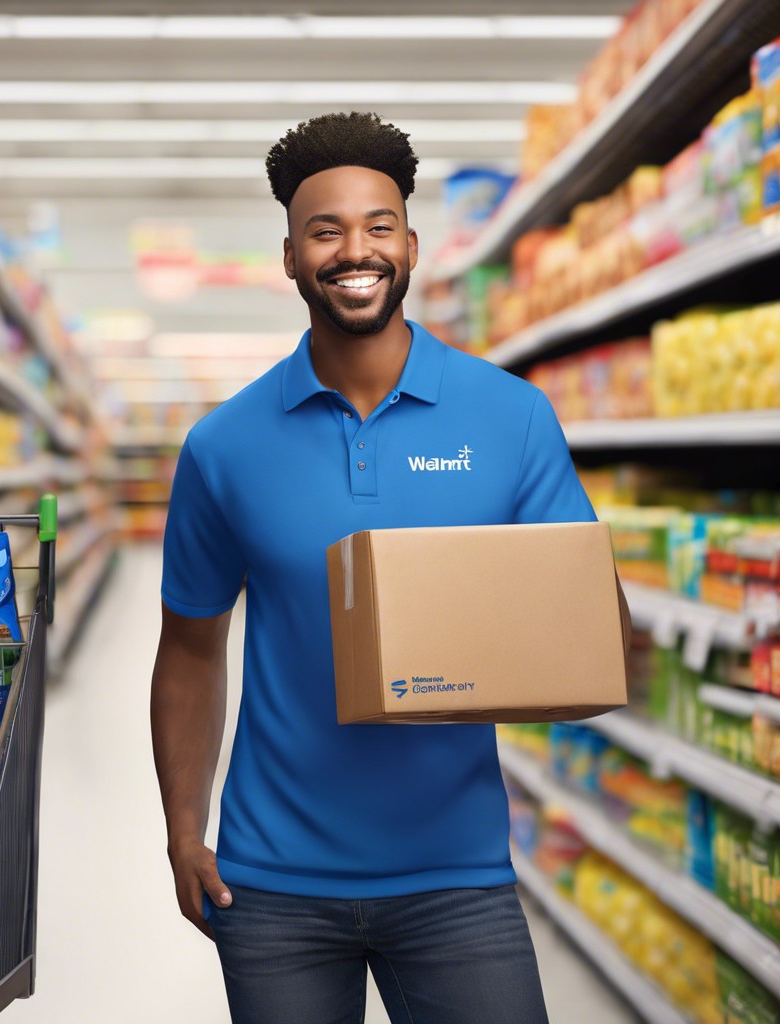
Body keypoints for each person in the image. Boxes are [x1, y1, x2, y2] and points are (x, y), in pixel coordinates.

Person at [151, 111, 631, 1024]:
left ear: (412, 246)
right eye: (324, 231)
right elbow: (190, 650)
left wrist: (532, 632)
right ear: (289, 257)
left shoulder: (510, 416)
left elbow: (592, 636)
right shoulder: (224, 446)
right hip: (273, 882)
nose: (353, 250)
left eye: (377, 226)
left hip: (458, 873)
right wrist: (182, 831)